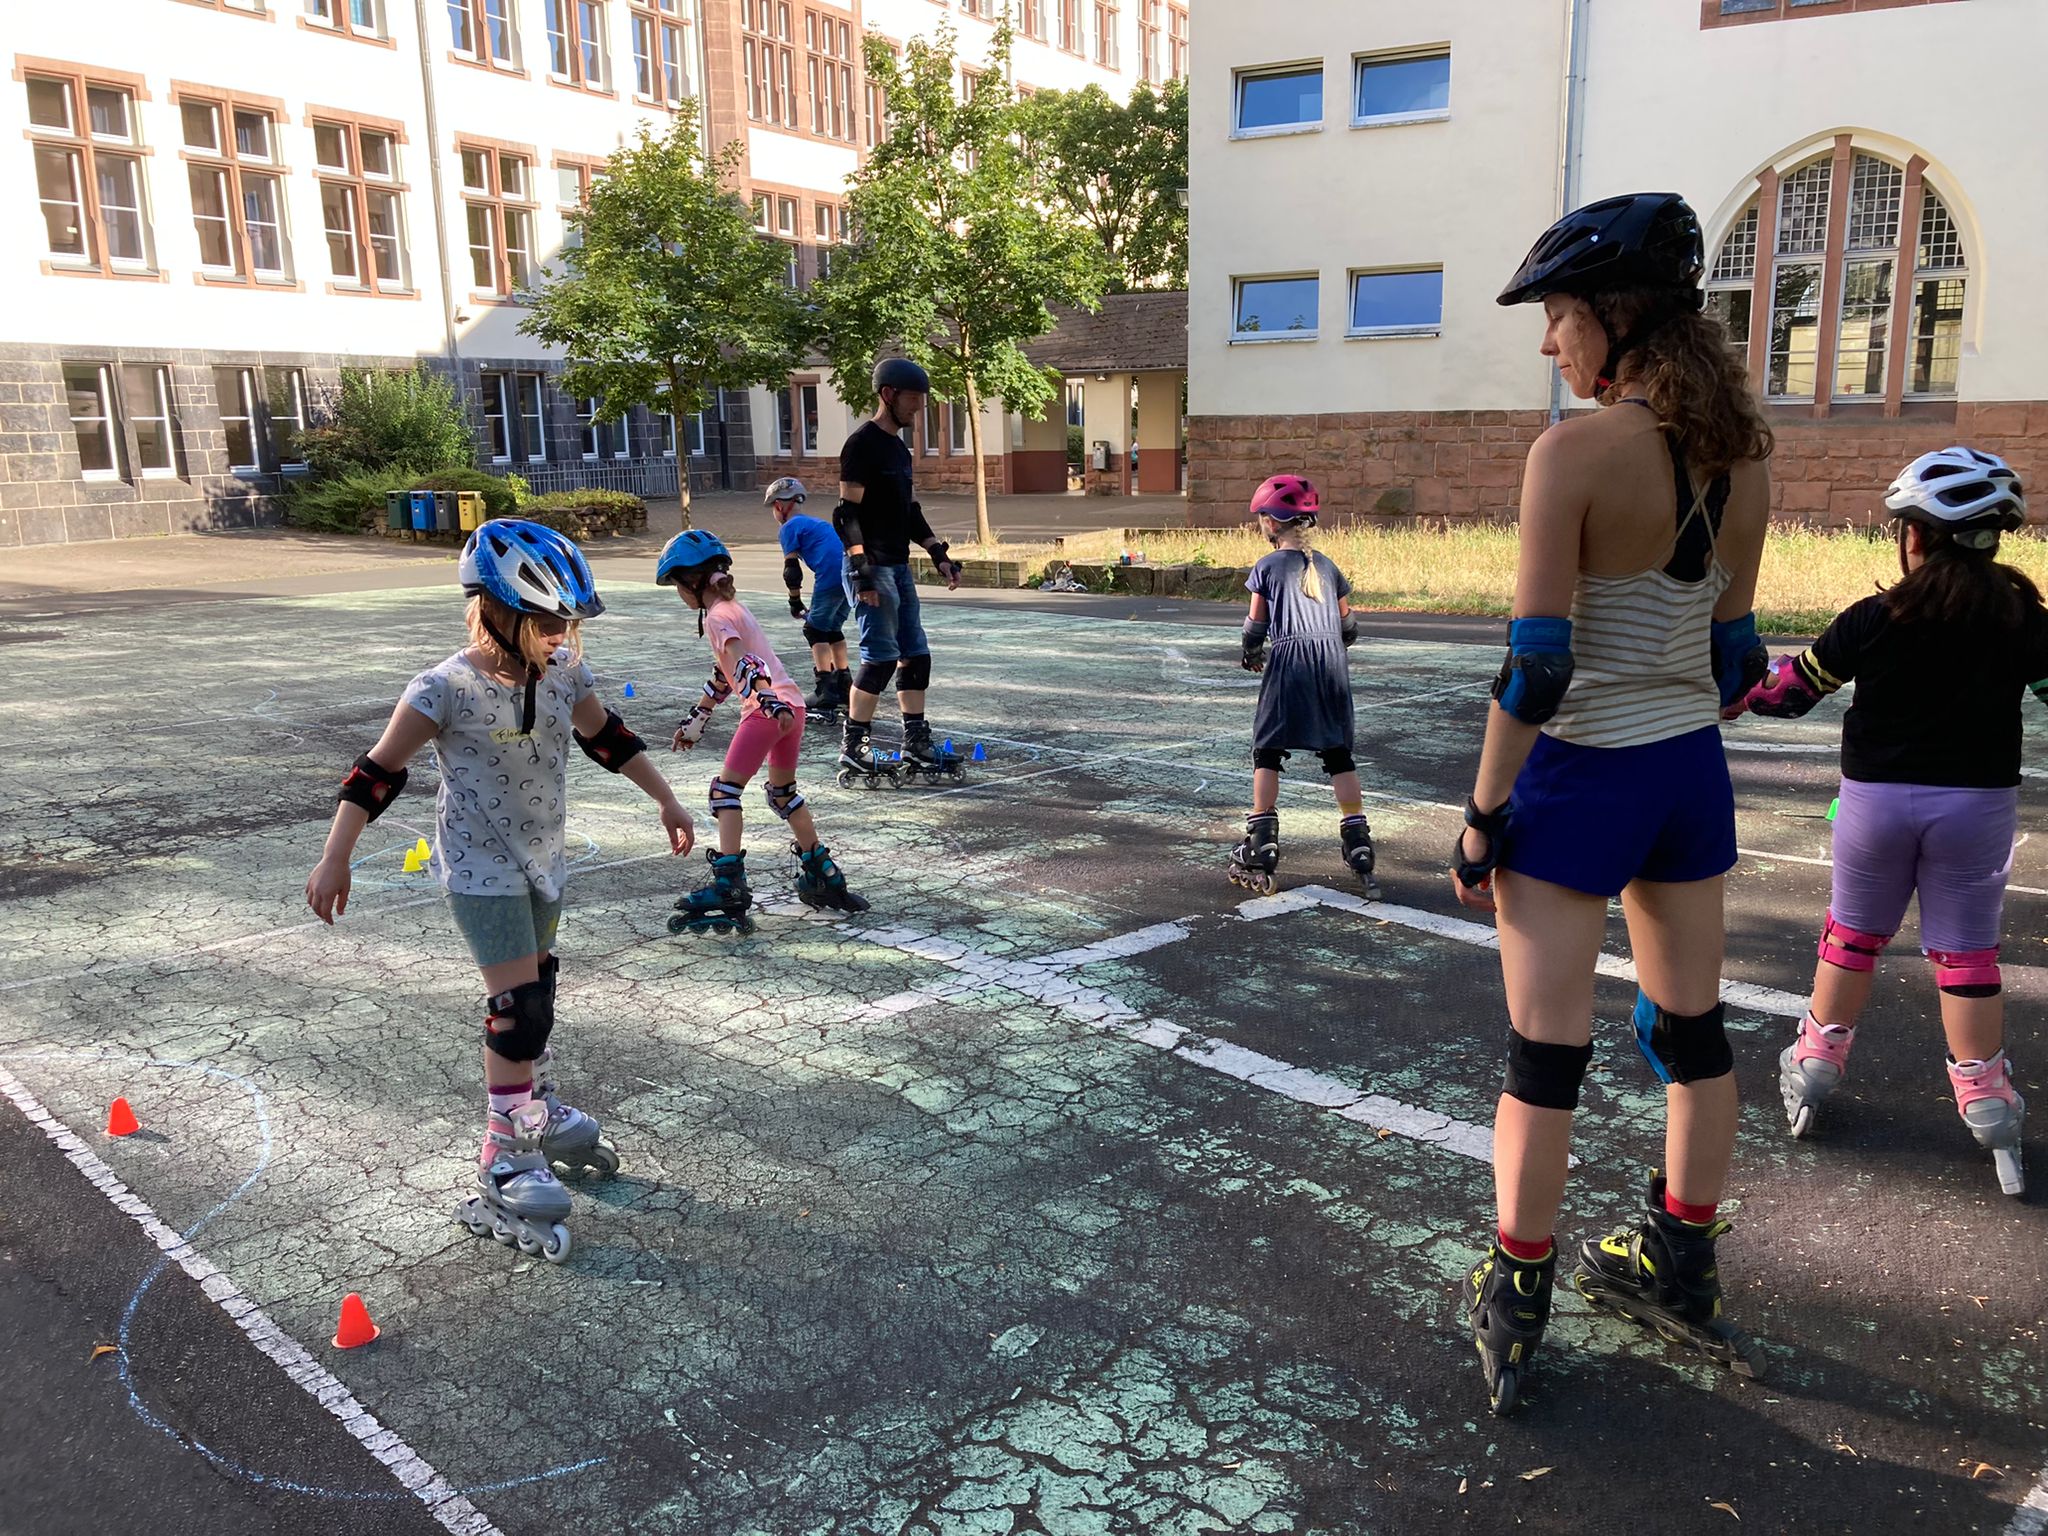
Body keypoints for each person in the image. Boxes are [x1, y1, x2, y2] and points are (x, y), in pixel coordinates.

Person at [1454, 192, 1774, 1414]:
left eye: (1556, 317)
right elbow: (1735, 661)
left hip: (1581, 774)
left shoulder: (1570, 453)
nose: (1549, 344)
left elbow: (1536, 667)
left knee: (1544, 1058)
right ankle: (1677, 1261)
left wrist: (1483, 814)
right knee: (1688, 1037)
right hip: (1686, 775)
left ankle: (1514, 1294)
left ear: (1613, 317)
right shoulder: (1744, 456)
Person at [304, 519, 695, 1264]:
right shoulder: (443, 688)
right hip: (482, 870)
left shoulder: (563, 675)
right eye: (546, 622)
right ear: (497, 611)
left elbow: (608, 738)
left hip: (544, 863)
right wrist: (336, 858)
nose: (559, 636)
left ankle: (537, 1111)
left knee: (540, 989)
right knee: (518, 1013)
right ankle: (503, 1154)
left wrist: (666, 799)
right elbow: (376, 774)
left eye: (566, 623)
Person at [1729, 447, 2040, 1196]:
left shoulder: (1875, 619)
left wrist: (1726, 688)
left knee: (1854, 937)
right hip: (1976, 808)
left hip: (1876, 805)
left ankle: (1815, 1065)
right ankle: (1988, 1103)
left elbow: (1788, 694)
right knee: (1967, 957)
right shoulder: (2027, 622)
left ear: (1917, 538)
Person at [656, 529, 869, 933]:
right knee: (783, 793)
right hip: (794, 709)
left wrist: (765, 700)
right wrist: (698, 719)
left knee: (725, 792)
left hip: (767, 710)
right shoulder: (734, 609)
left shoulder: (718, 617)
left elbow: (745, 663)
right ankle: (822, 872)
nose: (678, 593)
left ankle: (728, 883)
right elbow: (727, 673)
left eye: (676, 585)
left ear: (692, 581)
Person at [1228, 474, 1375, 898]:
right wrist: (1332, 644)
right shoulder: (1327, 566)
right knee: (1338, 753)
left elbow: (1255, 624)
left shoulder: (1267, 566)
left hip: (1290, 664)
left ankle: (1262, 839)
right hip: (1331, 666)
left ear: (1272, 523)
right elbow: (1349, 625)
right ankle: (1358, 841)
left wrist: (1251, 653)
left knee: (1268, 749)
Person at [833, 357, 968, 786]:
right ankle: (854, 745)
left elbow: (908, 511)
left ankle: (916, 740)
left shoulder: (898, 448)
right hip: (871, 567)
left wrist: (936, 553)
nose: (918, 409)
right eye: (913, 400)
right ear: (888, 395)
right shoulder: (862, 445)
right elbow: (845, 514)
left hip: (898, 566)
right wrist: (861, 568)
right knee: (880, 659)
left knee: (917, 655)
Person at [767, 476, 854, 717]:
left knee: (814, 630)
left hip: (830, 576)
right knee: (833, 629)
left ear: (779, 506)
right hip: (850, 576)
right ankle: (845, 686)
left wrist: (794, 601)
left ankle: (825, 689)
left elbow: (791, 572)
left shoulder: (789, 527)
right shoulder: (816, 523)